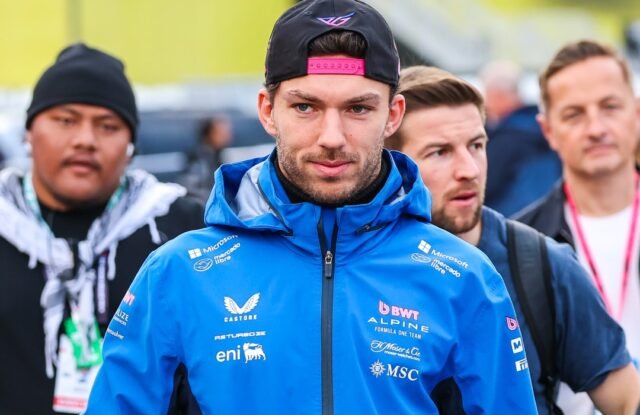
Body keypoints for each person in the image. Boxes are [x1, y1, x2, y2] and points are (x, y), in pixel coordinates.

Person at [85, 0, 537, 413]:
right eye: (306, 107)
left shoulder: (464, 277)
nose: (332, 137)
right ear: (267, 110)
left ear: (393, 115)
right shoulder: (178, 273)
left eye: (358, 109)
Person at [387, 64, 640, 414]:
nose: (469, 170)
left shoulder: (543, 266)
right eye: (440, 152)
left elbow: (627, 401)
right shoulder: (358, 269)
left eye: (476, 145)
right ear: (394, 166)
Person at [0, 43, 204, 415]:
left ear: (131, 145)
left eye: (108, 126)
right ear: (29, 132)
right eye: (65, 120)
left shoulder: (180, 229)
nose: (85, 140)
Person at [516, 39, 640, 414]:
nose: (596, 128)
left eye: (610, 107)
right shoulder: (519, 245)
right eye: (574, 115)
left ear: (636, 113)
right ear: (548, 131)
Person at [480, 60, 562, 216]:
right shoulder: (545, 128)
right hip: (551, 217)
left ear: (498, 95)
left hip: (512, 221)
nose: (485, 104)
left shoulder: (507, 138)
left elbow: (484, 186)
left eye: (487, 95)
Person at [179, 114, 233, 202]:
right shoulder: (200, 157)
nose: (227, 135)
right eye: (221, 132)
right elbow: (189, 187)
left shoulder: (217, 154)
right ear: (209, 134)